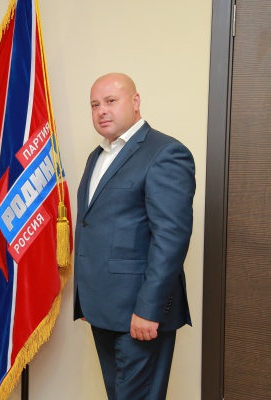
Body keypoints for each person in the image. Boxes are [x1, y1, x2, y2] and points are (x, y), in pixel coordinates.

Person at [73, 72, 195, 400]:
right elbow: (93, 228)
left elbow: (170, 237)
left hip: (140, 313)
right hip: (102, 309)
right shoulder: (97, 156)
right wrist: (86, 299)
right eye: (94, 104)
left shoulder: (166, 152)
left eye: (111, 101)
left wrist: (149, 310)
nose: (101, 110)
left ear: (136, 101)